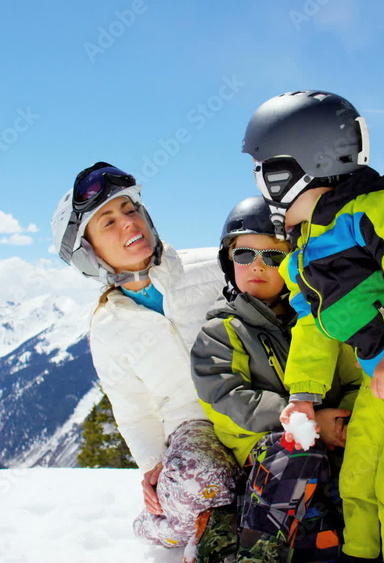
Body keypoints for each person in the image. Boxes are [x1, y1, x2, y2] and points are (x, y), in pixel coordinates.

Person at [242, 90, 384, 562]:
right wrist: (302, 396)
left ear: (299, 168)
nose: (262, 187)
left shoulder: (377, 208)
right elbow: (312, 326)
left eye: (265, 171)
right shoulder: (306, 247)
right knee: (359, 479)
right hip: (382, 376)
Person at [51, 162, 238, 561]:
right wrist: (154, 466)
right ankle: (165, 525)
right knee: (195, 481)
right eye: (108, 222)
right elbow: (133, 409)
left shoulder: (215, 267)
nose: (128, 223)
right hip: (192, 427)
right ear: (88, 253)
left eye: (130, 209)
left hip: (249, 402)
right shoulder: (108, 326)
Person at [191, 196, 362, 561]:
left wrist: (344, 424)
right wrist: (309, 423)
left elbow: (355, 382)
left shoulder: (320, 323)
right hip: (264, 456)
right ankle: (257, 555)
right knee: (298, 448)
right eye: (244, 254)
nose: (257, 265)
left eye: (273, 257)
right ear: (228, 261)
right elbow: (228, 397)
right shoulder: (221, 331)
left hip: (331, 444)